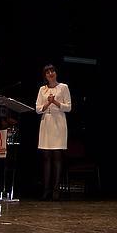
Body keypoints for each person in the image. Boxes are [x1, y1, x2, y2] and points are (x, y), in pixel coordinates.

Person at [35, 64, 72, 201]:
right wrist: (47, 104)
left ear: (56, 73)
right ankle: (46, 190)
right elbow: (38, 109)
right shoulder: (42, 89)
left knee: (57, 157)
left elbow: (68, 107)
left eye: (52, 71)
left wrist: (55, 102)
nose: (50, 74)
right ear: (45, 75)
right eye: (48, 72)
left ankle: (56, 190)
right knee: (46, 158)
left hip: (59, 123)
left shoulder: (63, 87)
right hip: (46, 123)